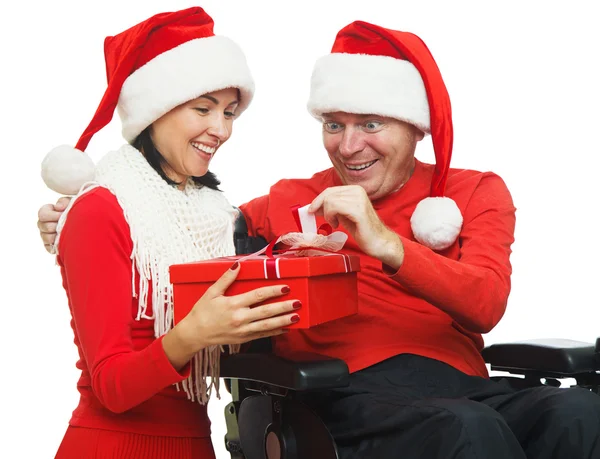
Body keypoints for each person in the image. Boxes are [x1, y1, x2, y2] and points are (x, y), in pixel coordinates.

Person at [39, 20, 600, 459]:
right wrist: (72, 218)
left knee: (579, 415)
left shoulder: (472, 192)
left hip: (458, 382)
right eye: (334, 125)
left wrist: (387, 243)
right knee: (467, 430)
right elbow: (175, 227)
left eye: (371, 124)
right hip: (350, 396)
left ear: (414, 123)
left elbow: (486, 304)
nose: (349, 146)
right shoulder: (290, 200)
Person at [38, 7, 301, 459]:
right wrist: (195, 333)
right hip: (114, 446)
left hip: (196, 443)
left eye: (230, 112)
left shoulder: (219, 218)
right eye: (203, 109)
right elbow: (111, 388)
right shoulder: (99, 210)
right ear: (154, 112)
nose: (220, 130)